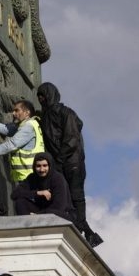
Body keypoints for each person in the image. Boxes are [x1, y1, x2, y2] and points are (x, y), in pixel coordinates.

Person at [37, 82, 103, 247]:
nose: (40, 99)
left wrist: (59, 159)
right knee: (66, 197)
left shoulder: (66, 113)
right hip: (60, 163)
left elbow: (71, 139)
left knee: (76, 196)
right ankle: (85, 231)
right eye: (39, 96)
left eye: (43, 95)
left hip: (71, 162)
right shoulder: (45, 116)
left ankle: (84, 230)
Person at [11, 152, 75, 222]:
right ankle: (26, 225)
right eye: (38, 166)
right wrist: (37, 193)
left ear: (50, 166)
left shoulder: (58, 179)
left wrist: (38, 215)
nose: (41, 169)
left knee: (55, 213)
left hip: (61, 214)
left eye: (45, 165)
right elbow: (14, 194)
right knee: (20, 202)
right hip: (40, 211)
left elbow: (59, 207)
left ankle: (33, 220)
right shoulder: (32, 177)